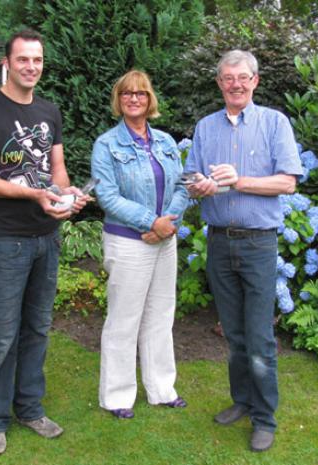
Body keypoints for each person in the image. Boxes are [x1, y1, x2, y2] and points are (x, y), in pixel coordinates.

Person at [0, 29, 89, 456]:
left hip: (46, 238)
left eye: (37, 60)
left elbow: (58, 170)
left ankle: (30, 408)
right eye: (23, 60)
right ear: (7, 62)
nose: (31, 67)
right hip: (8, 241)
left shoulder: (49, 110)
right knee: (3, 334)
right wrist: (36, 194)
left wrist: (67, 196)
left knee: (37, 328)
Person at [185, 50, 303, 452]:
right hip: (219, 240)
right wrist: (199, 185)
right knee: (234, 334)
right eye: (227, 78)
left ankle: (264, 416)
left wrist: (239, 181)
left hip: (257, 243)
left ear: (255, 81)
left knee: (259, 336)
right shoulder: (205, 127)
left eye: (242, 77)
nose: (235, 84)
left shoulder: (274, 123)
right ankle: (242, 401)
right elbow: (194, 177)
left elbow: (288, 183)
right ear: (219, 83)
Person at [91, 70, 189, 419]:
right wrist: (151, 222)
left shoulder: (164, 142)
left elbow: (183, 187)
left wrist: (167, 225)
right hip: (128, 243)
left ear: (150, 101)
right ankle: (117, 396)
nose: (134, 99)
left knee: (160, 317)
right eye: (127, 94)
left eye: (141, 93)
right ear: (118, 100)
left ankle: (162, 389)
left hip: (164, 242)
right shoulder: (106, 145)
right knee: (123, 320)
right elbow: (106, 195)